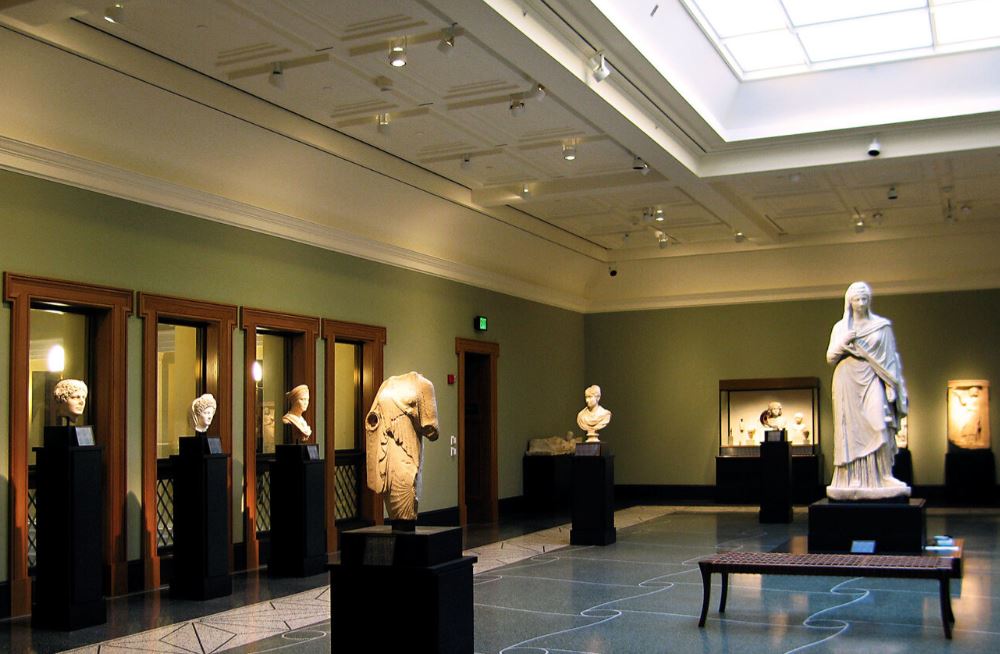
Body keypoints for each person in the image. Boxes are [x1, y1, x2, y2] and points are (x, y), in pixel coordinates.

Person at [825, 281, 909, 500]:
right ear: (849, 302)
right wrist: (843, 342)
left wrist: (891, 386)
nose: (861, 303)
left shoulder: (882, 326)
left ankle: (882, 476)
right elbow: (831, 357)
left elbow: (890, 360)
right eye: (856, 299)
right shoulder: (841, 327)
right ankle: (850, 478)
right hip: (847, 379)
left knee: (878, 422)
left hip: (873, 377)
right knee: (850, 432)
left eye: (864, 299)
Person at [365, 371, 439, 524]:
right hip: (388, 451)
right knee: (394, 503)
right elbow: (372, 419)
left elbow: (432, 430)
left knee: (406, 493)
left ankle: (406, 534)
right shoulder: (386, 385)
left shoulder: (423, 385)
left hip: (408, 453)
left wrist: (412, 414)